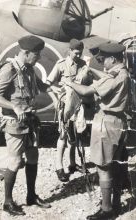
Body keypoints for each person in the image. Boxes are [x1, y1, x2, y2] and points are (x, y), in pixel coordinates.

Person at [65, 42, 131, 219]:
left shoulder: (113, 77)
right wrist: (92, 70)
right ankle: (115, 204)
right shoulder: (123, 72)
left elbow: (87, 91)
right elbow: (107, 77)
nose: (102, 62)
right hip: (119, 122)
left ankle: (106, 210)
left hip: (106, 122)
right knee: (115, 164)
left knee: (103, 167)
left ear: (112, 59)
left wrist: (69, 82)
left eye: (104, 59)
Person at [0, 35, 51, 216]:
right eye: (37, 54)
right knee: (15, 161)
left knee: (33, 157)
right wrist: (13, 106)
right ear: (26, 53)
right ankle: (7, 202)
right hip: (14, 123)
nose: (39, 57)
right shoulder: (9, 70)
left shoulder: (29, 69)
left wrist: (56, 87)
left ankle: (31, 196)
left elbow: (42, 86)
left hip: (30, 121)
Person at [46, 39, 94, 182]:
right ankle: (59, 167)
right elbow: (47, 84)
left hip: (78, 106)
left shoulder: (83, 65)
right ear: (69, 50)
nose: (78, 56)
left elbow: (87, 85)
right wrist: (55, 100)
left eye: (80, 53)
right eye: (76, 53)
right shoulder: (61, 65)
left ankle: (72, 164)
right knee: (63, 136)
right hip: (65, 106)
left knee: (75, 136)